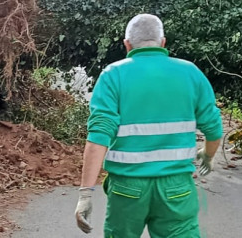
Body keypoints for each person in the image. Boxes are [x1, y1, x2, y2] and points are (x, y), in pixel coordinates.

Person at [74, 14, 223, 237]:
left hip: (127, 188)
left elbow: (99, 136)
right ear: (163, 42)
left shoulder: (113, 75)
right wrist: (208, 155)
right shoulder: (190, 72)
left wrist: (86, 194)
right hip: (176, 189)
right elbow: (214, 129)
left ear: (127, 45)